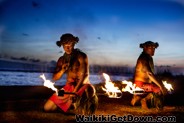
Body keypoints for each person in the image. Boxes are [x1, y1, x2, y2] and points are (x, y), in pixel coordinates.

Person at [44, 33, 98, 114]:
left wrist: (75, 92)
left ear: (74, 44)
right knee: (47, 108)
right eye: (65, 46)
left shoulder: (81, 56)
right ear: (62, 45)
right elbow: (55, 78)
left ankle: (78, 105)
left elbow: (84, 75)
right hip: (68, 89)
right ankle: (70, 105)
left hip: (82, 87)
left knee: (88, 91)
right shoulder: (61, 60)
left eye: (70, 45)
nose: (68, 48)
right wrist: (62, 70)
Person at [131, 41, 167, 110]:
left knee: (157, 86)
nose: (153, 49)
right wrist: (160, 86)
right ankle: (146, 102)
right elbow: (149, 73)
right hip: (140, 84)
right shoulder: (143, 58)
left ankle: (137, 98)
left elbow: (150, 75)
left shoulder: (148, 58)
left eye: (154, 48)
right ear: (145, 48)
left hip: (145, 84)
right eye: (151, 47)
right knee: (158, 89)